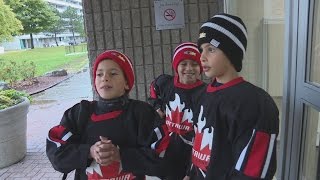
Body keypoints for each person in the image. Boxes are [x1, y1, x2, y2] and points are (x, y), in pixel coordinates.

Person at [46, 50, 169, 180]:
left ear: (127, 83)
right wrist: (89, 151)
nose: (105, 78)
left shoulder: (142, 113)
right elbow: (57, 155)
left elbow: (163, 156)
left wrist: (120, 155)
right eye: (99, 74)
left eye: (113, 73)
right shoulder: (79, 113)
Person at [188, 13, 279, 179]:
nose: (202, 57)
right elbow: (199, 146)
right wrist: (190, 174)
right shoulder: (202, 94)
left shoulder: (255, 103)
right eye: (201, 49)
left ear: (231, 53)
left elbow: (253, 171)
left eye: (211, 49)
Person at [148, 42, 207, 180]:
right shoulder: (165, 83)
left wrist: (190, 172)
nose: (189, 68)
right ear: (176, 66)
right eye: (183, 64)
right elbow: (153, 88)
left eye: (194, 64)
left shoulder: (206, 93)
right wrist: (157, 107)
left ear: (201, 68)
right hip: (168, 145)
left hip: (192, 149)